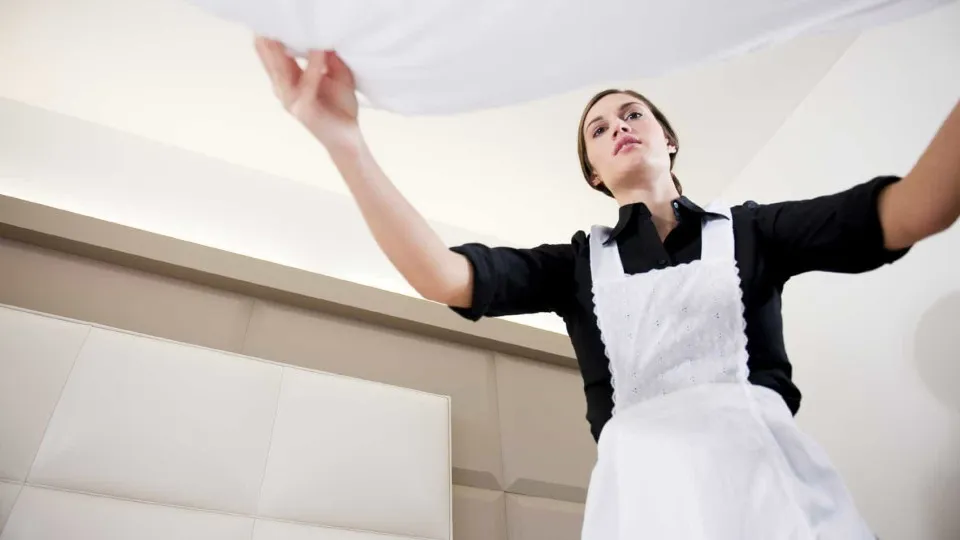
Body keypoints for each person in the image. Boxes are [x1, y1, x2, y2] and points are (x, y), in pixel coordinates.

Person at [254, 38, 960, 539]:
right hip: (644, 504)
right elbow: (441, 275)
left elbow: (915, 209)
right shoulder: (575, 267)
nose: (618, 126)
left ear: (668, 138)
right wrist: (344, 139)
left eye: (632, 114)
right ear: (594, 172)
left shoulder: (755, 233)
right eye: (598, 128)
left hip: (772, 491)